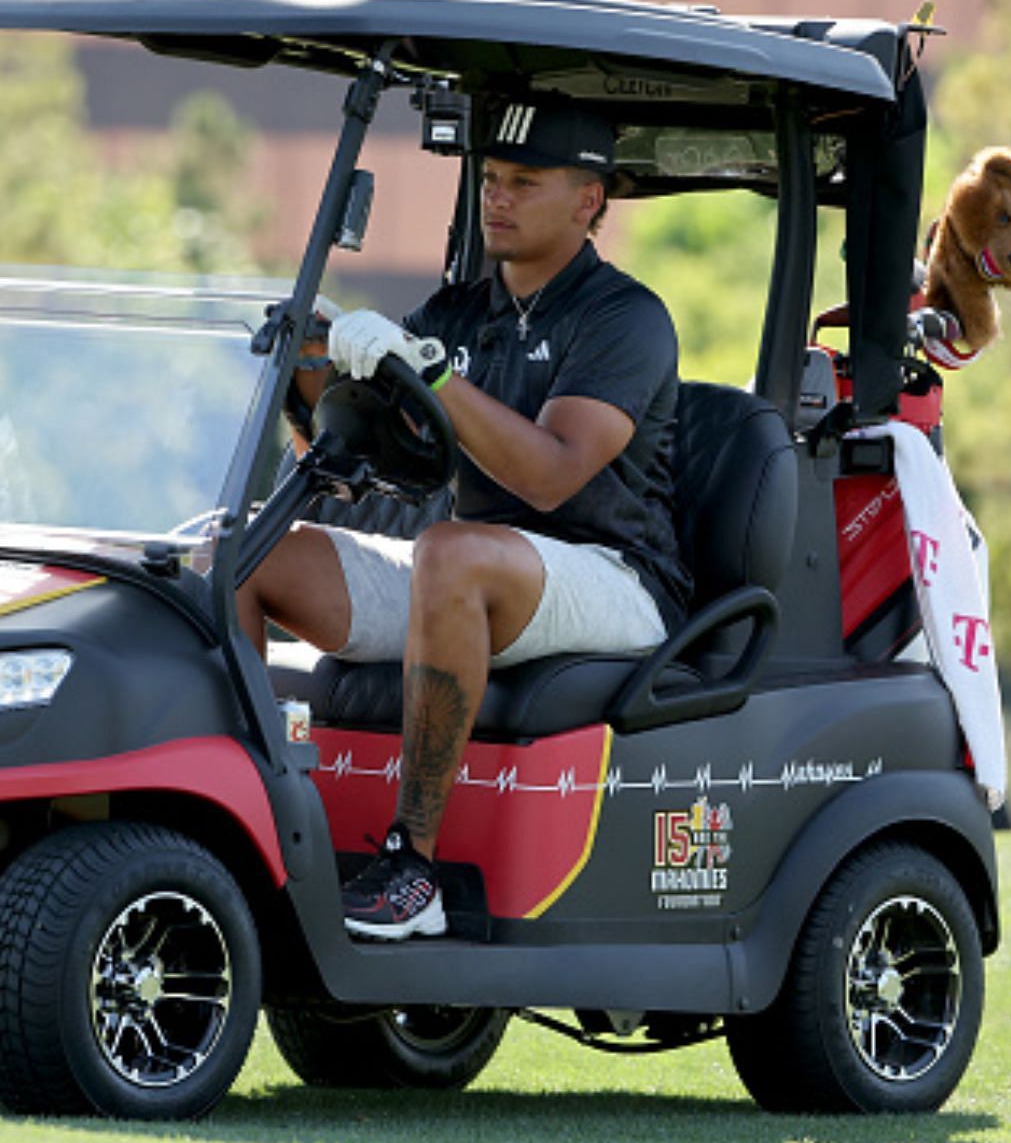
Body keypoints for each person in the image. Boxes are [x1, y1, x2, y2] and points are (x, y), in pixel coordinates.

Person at [238, 101, 690, 940]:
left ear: (588, 200)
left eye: (524, 182)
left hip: (614, 577)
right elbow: (358, 456)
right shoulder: (457, 313)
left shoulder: (626, 318)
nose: (498, 198)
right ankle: (249, 824)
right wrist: (312, 361)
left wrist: (438, 380)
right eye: (491, 180)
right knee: (249, 551)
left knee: (449, 551)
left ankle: (413, 867)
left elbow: (553, 477)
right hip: (474, 574)